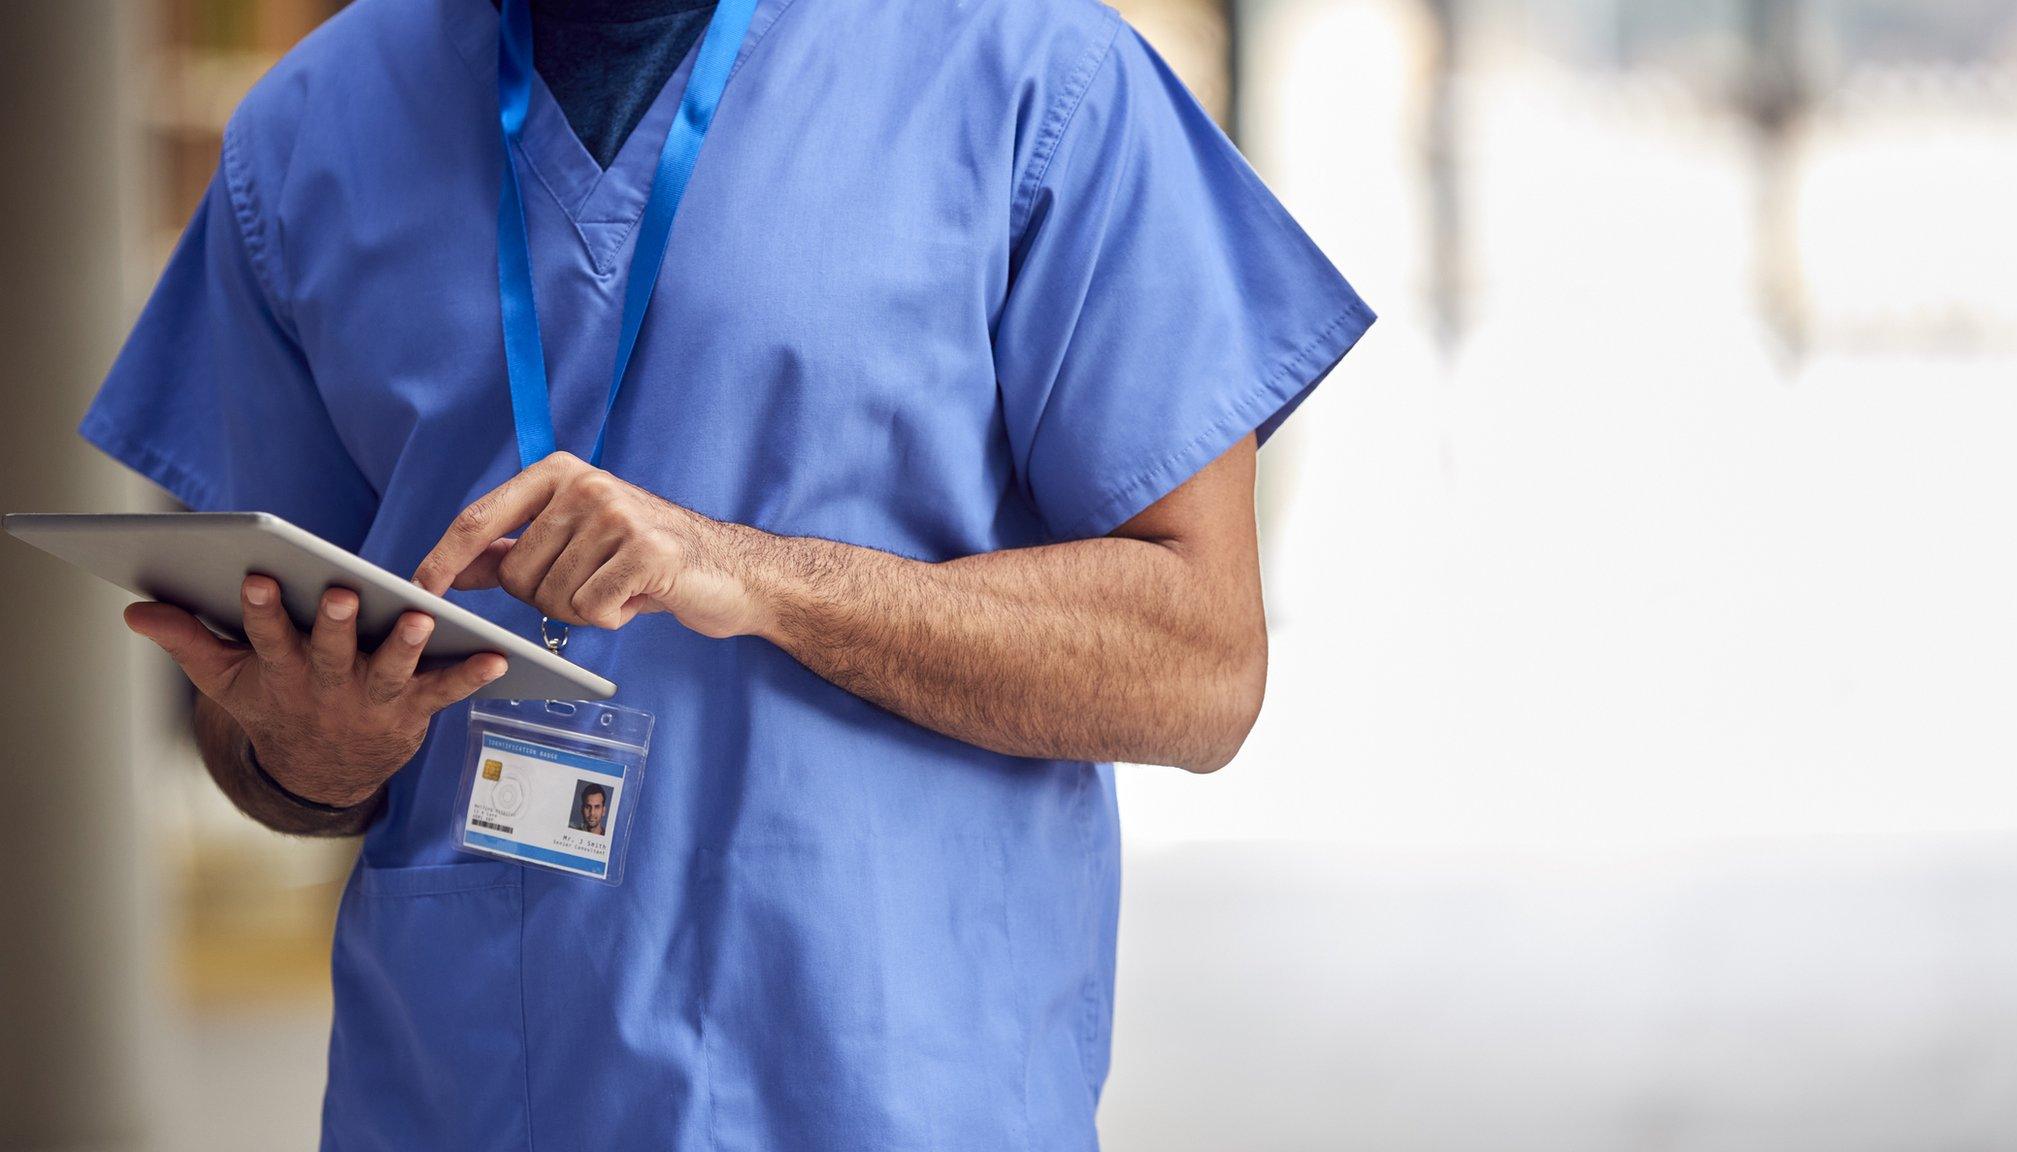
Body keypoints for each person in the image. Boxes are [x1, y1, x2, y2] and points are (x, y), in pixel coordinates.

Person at [89, 0, 1373, 1146]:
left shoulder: (1035, 76)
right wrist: (315, 752)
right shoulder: (309, 131)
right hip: (467, 1092)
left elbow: (1201, 663)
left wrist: (754, 576)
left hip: (891, 1092)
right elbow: (265, 731)